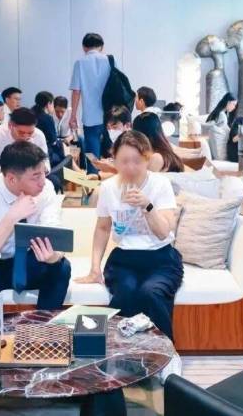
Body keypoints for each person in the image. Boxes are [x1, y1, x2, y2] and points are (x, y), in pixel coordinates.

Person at [75, 131, 183, 340]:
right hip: (124, 259)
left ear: (147, 159)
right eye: (124, 161)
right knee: (125, 291)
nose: (130, 167)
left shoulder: (160, 184)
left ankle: (161, 352)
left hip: (161, 259)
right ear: (114, 160)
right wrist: (95, 268)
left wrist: (147, 206)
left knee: (150, 293)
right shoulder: (108, 188)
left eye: (137, 161)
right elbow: (103, 228)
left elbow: (163, 233)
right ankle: (120, 351)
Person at [0, 141, 71, 316]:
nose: (43, 182)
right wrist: (12, 216)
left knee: (61, 268)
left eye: (44, 173)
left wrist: (53, 256)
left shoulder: (46, 188)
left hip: (25, 260)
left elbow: (54, 230)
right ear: (11, 178)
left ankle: (42, 327)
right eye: (35, 177)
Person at [69, 33, 111, 168]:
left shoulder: (80, 63)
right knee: (113, 153)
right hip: (110, 115)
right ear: (102, 47)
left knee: (92, 155)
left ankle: (93, 176)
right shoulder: (110, 60)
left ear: (84, 47)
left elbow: (76, 91)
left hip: (90, 117)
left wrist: (73, 116)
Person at [0, 107, 48, 175]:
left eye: (30, 133)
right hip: (1, 176)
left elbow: (46, 163)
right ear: (10, 126)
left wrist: (43, 168)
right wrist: (12, 172)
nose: (25, 137)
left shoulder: (38, 135)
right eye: (21, 133)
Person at [31, 91, 64, 167]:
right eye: (52, 104)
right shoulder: (47, 118)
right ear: (48, 104)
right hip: (44, 154)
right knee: (66, 154)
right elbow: (53, 141)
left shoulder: (30, 113)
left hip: (30, 151)